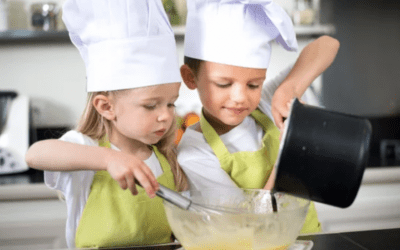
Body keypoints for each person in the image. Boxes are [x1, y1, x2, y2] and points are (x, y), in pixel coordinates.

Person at [25, 0, 187, 248]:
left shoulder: (166, 158)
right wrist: (108, 159)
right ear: (106, 107)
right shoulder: (86, 148)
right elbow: (35, 155)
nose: (166, 116)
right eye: (151, 105)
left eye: (171, 104)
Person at [177, 0, 339, 234]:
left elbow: (328, 44)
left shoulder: (266, 103)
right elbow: (243, 220)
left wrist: (289, 88)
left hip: (308, 238)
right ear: (191, 78)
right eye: (224, 84)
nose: (240, 97)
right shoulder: (194, 151)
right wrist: (288, 158)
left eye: (253, 84)